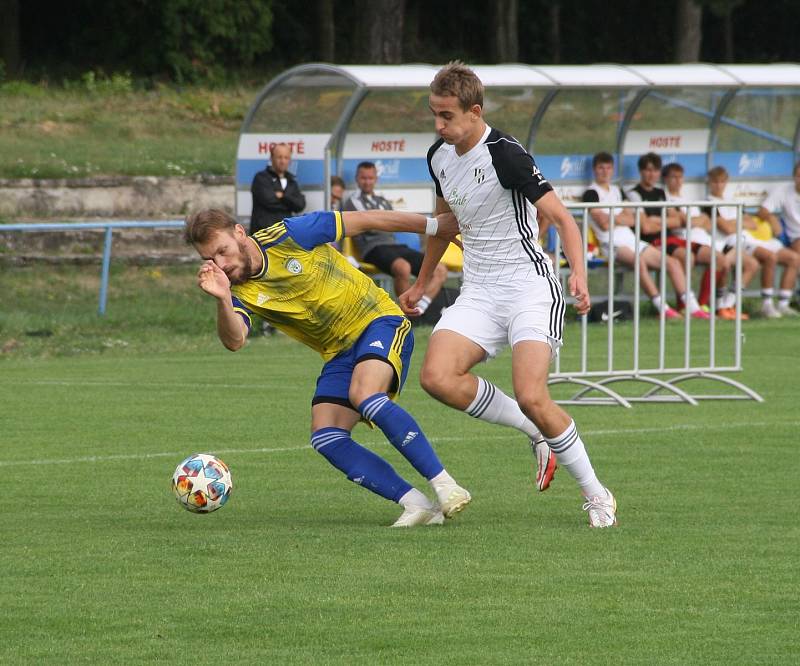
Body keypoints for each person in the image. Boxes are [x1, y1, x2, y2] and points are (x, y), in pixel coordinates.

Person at [399, 62, 616, 528]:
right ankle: (532, 431)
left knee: (532, 393)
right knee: (436, 377)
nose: (438, 125)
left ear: (474, 112)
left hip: (528, 286)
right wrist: (421, 283)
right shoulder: (439, 156)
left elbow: (561, 218)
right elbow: (444, 226)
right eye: (434, 115)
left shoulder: (505, 153)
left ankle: (597, 494)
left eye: (446, 116)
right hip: (479, 289)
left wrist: (578, 274)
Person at [184, 206, 470, 527]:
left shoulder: (291, 235)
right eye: (210, 259)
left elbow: (368, 220)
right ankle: (417, 505)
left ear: (239, 233)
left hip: (377, 320)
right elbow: (234, 340)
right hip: (339, 352)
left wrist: (434, 226)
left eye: (222, 251)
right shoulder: (235, 290)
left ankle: (446, 485)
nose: (221, 264)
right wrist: (222, 299)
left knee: (365, 395)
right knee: (326, 436)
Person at [582, 152, 683, 319]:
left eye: (608, 168)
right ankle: (662, 308)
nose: (605, 171)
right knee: (639, 261)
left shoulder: (617, 191)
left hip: (631, 239)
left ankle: (692, 307)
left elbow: (633, 219)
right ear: (594, 170)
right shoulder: (591, 193)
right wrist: (621, 217)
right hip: (610, 244)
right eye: (601, 167)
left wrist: (614, 217)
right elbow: (604, 225)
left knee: (672, 262)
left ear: (613, 170)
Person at [344, 161, 448, 314]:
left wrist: (393, 222)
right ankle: (406, 313)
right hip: (372, 248)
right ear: (357, 179)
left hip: (394, 246)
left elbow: (390, 223)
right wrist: (390, 221)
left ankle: (420, 311)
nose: (367, 182)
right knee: (403, 268)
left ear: (376, 179)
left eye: (370, 178)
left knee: (440, 270)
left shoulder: (383, 200)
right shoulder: (352, 201)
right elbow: (371, 224)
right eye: (363, 178)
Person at [705, 166, 799, 318]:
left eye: (722, 181)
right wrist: (739, 223)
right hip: (732, 241)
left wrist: (735, 222)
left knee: (792, 258)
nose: (719, 185)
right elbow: (727, 229)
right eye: (715, 182)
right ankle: (762, 304)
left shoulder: (731, 201)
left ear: (726, 182)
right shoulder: (709, 203)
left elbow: (752, 224)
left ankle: (781, 304)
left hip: (748, 238)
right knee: (768, 258)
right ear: (709, 183)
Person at [662, 162, 751, 320]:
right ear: (666, 179)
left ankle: (716, 305)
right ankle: (697, 306)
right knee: (715, 261)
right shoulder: (666, 198)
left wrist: (694, 219)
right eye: (673, 177)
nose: (677, 180)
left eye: (680, 177)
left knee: (735, 262)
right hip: (685, 239)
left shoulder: (689, 198)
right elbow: (683, 221)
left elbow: (707, 222)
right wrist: (695, 220)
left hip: (707, 239)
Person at [627, 153, 710, 319]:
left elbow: (679, 219)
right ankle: (688, 306)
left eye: (655, 170)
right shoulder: (634, 194)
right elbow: (646, 227)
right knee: (685, 258)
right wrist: (665, 221)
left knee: (710, 256)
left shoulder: (661, 193)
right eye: (648, 170)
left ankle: (695, 305)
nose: (651, 174)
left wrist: (657, 219)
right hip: (652, 241)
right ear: (641, 171)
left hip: (670, 238)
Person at [756, 161, 800, 313]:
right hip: (793, 238)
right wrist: (773, 219)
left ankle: (783, 304)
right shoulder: (784, 190)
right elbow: (762, 211)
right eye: (799, 176)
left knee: (795, 259)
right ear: (794, 177)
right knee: (795, 257)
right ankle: (773, 304)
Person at [250, 143, 306, 234]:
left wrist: (282, 196)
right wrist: (290, 204)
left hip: (285, 236)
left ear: (290, 160)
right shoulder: (261, 178)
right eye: (279, 157)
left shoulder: (292, 181)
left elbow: (300, 205)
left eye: (286, 158)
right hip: (263, 236)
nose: (283, 161)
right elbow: (269, 201)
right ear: (271, 158)